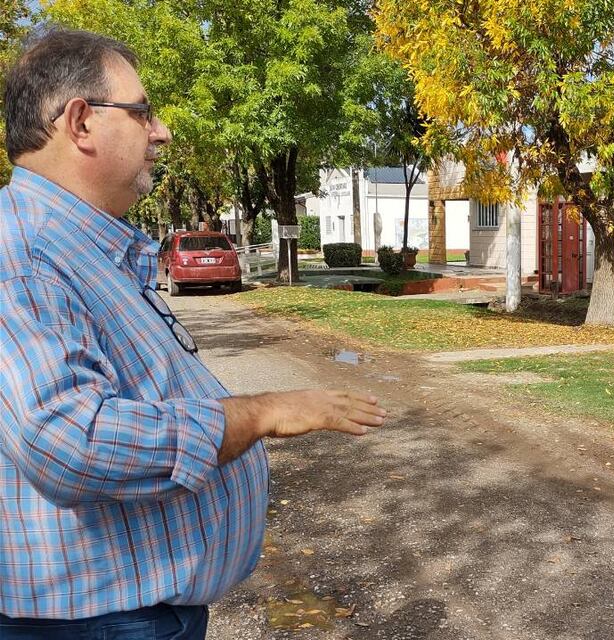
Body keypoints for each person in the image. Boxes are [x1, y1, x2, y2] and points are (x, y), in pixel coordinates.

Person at [0, 29, 386, 638]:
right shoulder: (23, 253)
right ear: (80, 122)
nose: (162, 133)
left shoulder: (76, 248)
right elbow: (64, 440)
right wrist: (261, 412)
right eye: (142, 112)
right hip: (99, 623)